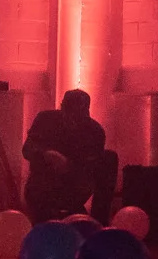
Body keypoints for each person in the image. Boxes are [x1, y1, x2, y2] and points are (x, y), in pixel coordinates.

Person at [22, 88, 120, 223]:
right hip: (44, 185)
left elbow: (91, 167)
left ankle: (98, 221)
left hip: (74, 186)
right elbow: (27, 149)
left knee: (109, 158)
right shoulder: (46, 120)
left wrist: (69, 166)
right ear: (62, 109)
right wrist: (46, 154)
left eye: (78, 117)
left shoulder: (94, 131)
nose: (73, 121)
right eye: (70, 115)